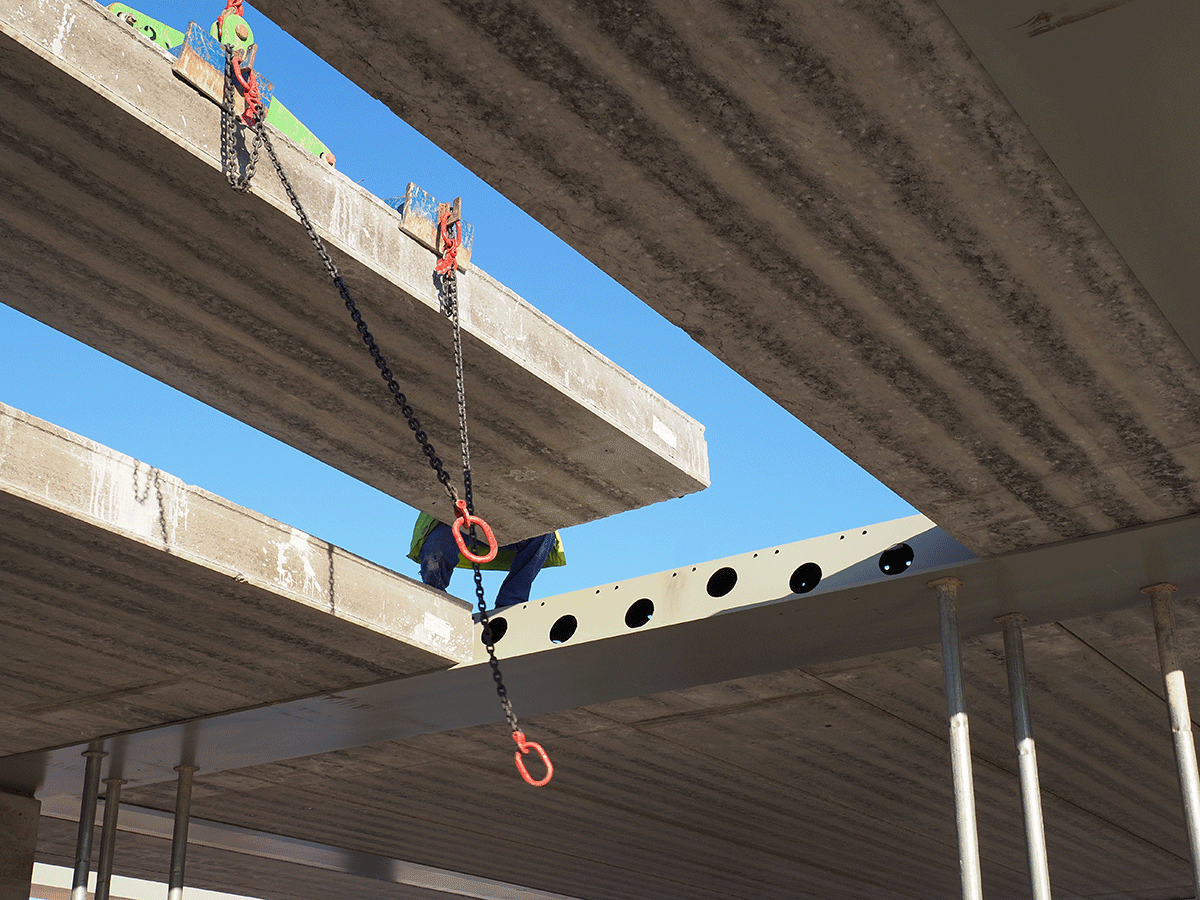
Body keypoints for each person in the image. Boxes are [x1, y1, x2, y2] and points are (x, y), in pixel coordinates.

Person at [408, 511, 566, 609]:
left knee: (543, 536)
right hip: (456, 516)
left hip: (507, 517)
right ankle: (435, 598)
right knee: (436, 550)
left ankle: (509, 605)